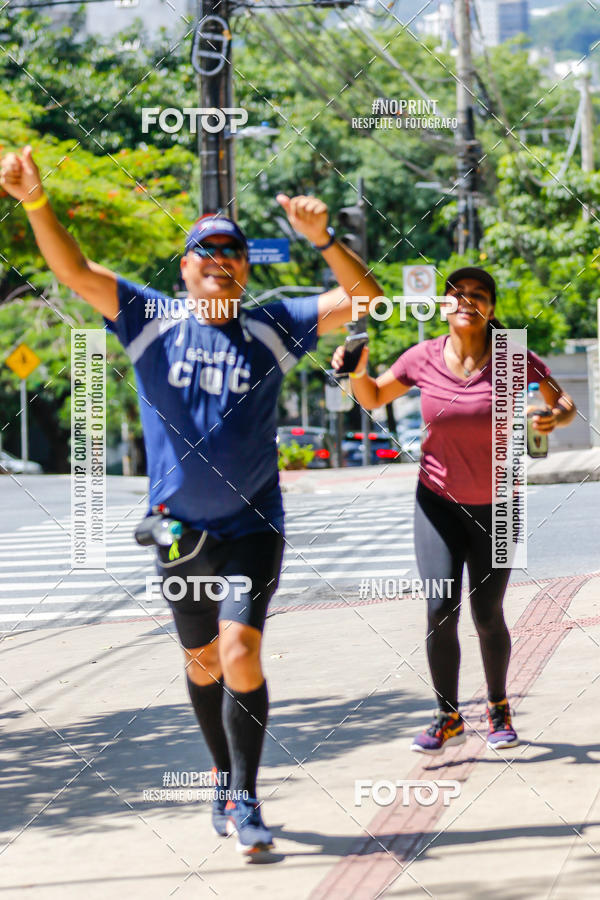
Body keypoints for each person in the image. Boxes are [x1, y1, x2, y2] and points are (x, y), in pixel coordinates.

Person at [0, 145, 383, 853]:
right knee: (203, 660)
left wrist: (325, 240)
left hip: (253, 525)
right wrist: (34, 202)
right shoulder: (150, 318)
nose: (221, 259)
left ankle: (244, 797)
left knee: (240, 650)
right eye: (206, 251)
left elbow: (365, 300)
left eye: (233, 252)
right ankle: (220, 772)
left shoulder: (270, 325)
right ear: (185, 267)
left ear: (243, 268)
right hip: (178, 533)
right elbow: (75, 273)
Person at [332, 267, 576, 755]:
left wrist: (554, 417)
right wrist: (354, 372)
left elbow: (563, 402)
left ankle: (499, 706)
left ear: (490, 307)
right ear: (443, 305)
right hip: (437, 501)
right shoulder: (422, 357)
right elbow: (375, 397)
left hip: (501, 505)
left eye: (478, 295)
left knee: (488, 614)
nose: (466, 301)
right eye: (457, 294)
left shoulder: (512, 356)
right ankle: (448, 717)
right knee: (440, 607)